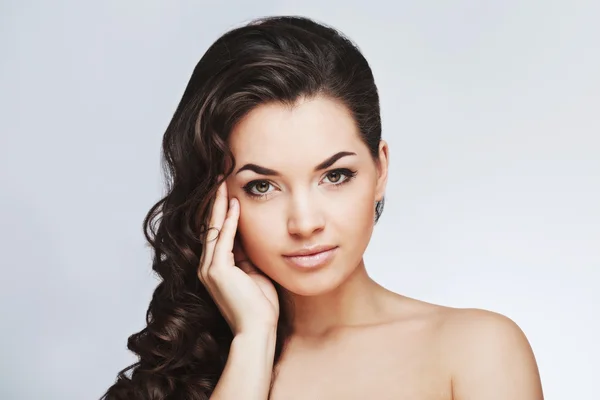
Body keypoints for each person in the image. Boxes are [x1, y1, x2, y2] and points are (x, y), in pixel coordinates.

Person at [102, 15, 544, 400]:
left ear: (380, 170)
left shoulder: (477, 350)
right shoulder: (198, 365)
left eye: (335, 176)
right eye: (262, 186)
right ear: (216, 201)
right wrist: (253, 341)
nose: (305, 223)